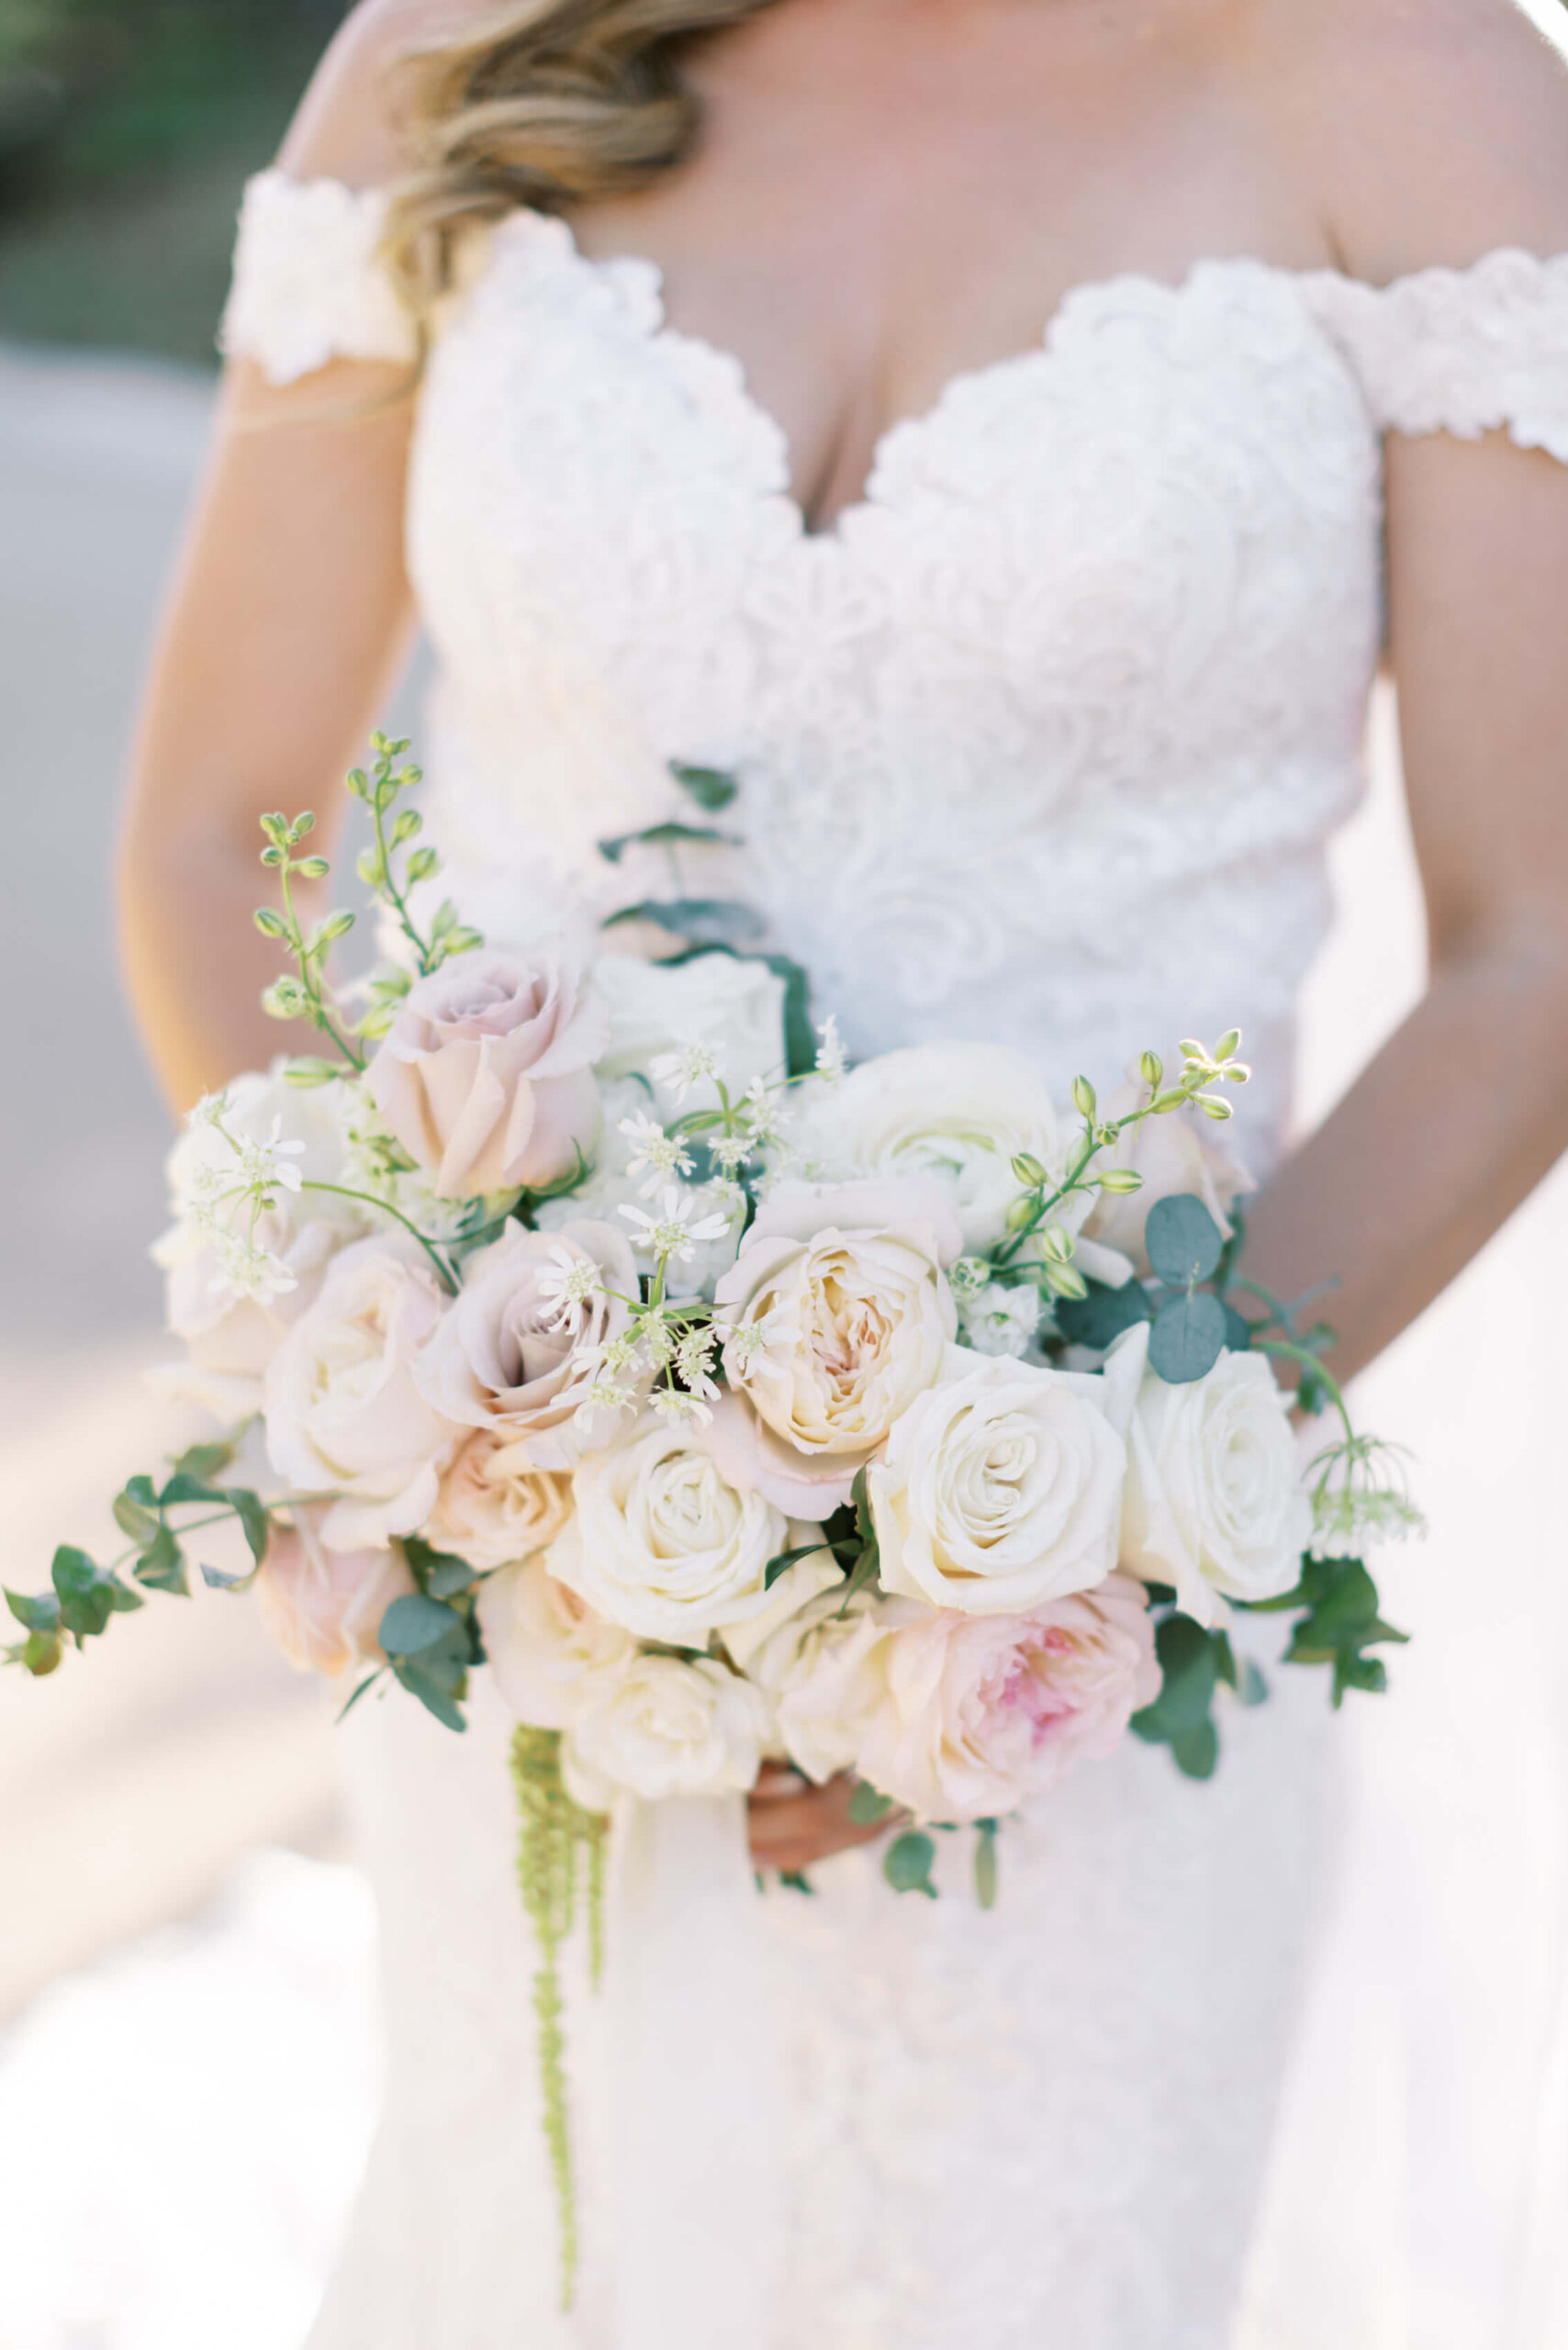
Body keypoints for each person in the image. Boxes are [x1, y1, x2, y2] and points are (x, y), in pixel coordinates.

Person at [118, 0, 1568, 2342]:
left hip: (1091, 1656)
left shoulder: (1411, 87)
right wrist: (426, 1408)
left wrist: (1055, 1531)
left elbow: (1534, 947)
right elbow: (218, 829)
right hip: (543, 1602)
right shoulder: (465, 47)